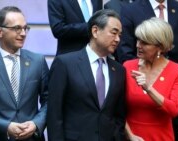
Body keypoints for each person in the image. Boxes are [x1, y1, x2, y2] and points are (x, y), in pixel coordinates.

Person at [0, 6, 49, 141]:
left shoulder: (38, 62)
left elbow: (49, 101)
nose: (23, 33)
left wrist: (36, 124)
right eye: (17, 28)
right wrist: (6, 127)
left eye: (25, 28)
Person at [47, 9, 126, 141]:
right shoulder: (65, 63)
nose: (118, 39)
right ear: (95, 31)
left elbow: (119, 114)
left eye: (120, 35)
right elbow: (54, 114)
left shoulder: (118, 70)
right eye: (113, 33)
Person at [118, 0, 178, 125]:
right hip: (138, 95)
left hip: (177, 92)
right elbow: (125, 50)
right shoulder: (130, 10)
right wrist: (138, 86)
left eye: (144, 41)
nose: (139, 45)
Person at [124, 17, 178, 141]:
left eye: (144, 43)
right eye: (138, 40)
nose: (138, 45)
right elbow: (116, 108)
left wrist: (149, 88)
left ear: (160, 47)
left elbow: (174, 110)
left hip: (161, 137)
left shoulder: (177, 70)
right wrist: (130, 135)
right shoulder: (127, 66)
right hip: (130, 136)